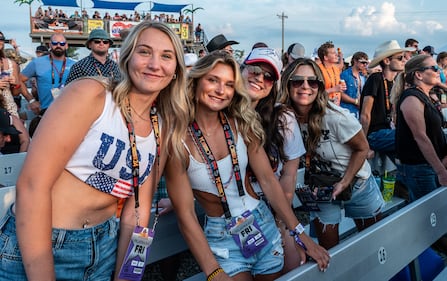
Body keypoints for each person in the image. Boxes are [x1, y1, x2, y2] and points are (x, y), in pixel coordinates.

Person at [0, 21, 189, 280]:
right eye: (144, 52)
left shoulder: (162, 126)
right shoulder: (92, 94)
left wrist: (125, 275)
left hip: (104, 247)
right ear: (127, 57)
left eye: (167, 56)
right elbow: (33, 185)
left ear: (176, 70)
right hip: (45, 244)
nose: (155, 64)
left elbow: (139, 208)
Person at [165, 51, 330, 281]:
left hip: (261, 222)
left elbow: (268, 181)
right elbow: (186, 215)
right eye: (213, 80)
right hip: (221, 237)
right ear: (196, 80)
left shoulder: (241, 123)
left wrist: (302, 236)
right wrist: (213, 271)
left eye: (229, 84)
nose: (221, 90)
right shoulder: (176, 141)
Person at [279, 58, 384, 250]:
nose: (305, 87)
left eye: (312, 82)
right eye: (297, 81)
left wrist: (344, 181)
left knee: (373, 244)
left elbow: (362, 148)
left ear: (319, 87)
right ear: (287, 84)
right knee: (329, 250)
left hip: (357, 183)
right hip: (322, 187)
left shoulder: (335, 116)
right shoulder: (285, 117)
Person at [241, 47, 307, 273]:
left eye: (269, 76)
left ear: (274, 85)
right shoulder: (222, 112)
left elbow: (289, 173)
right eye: (255, 69)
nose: (260, 78)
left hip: (273, 209)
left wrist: (282, 222)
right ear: (241, 69)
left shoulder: (283, 117)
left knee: (293, 268)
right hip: (236, 216)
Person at [393, 54, 447, 255]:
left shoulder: (425, 95)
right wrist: (441, 170)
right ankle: (432, 259)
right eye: (433, 68)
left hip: (430, 165)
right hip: (420, 168)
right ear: (418, 75)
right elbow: (421, 137)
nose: (437, 71)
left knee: (438, 214)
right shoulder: (411, 99)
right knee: (431, 218)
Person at [359, 40, 413, 161]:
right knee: (412, 137)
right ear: (387, 61)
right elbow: (365, 115)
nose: (404, 60)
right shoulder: (375, 78)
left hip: (387, 132)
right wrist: (363, 145)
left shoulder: (394, 82)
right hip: (374, 135)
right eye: (400, 58)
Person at [20, 33, 75, 115]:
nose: (58, 45)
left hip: (70, 111)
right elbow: (19, 80)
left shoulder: (75, 64)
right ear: (50, 45)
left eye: (62, 43)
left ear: (66, 45)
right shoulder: (37, 63)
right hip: (45, 112)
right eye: (55, 43)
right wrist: (31, 100)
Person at [340, 51, 369, 118]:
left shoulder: (363, 77)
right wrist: (356, 101)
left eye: (366, 63)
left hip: (359, 111)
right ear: (355, 61)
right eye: (362, 62)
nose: (365, 65)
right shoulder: (345, 75)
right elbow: (340, 93)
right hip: (347, 110)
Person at [317, 41, 346, 106]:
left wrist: (341, 87)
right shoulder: (318, 70)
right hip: (323, 107)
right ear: (326, 57)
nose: (336, 54)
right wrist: (333, 89)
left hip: (336, 106)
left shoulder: (335, 68)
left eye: (335, 52)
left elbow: (341, 65)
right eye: (333, 53)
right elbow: (316, 93)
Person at [0, 32, 21, 118]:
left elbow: (16, 93)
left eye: (1, 38)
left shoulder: (11, 64)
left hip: (9, 109)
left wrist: (15, 84)